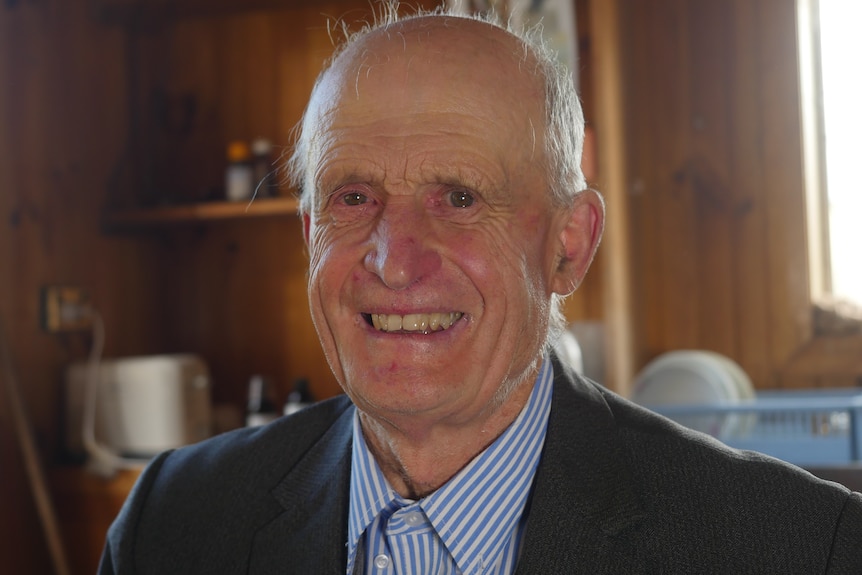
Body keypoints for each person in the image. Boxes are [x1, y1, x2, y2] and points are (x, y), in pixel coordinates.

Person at [99, 4, 862, 574]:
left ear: (569, 246)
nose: (394, 262)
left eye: (459, 197)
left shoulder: (799, 545)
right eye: (353, 197)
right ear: (310, 237)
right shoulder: (173, 523)